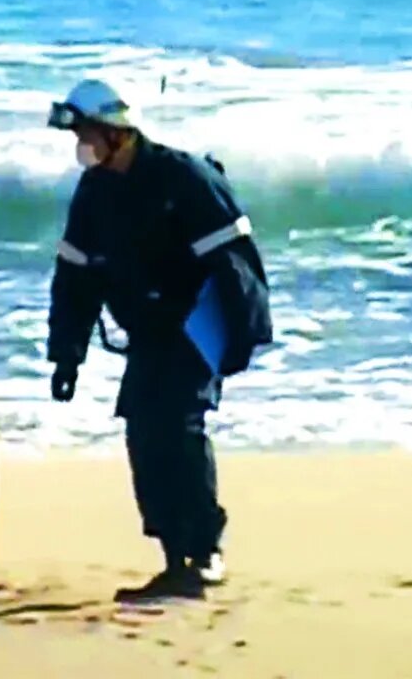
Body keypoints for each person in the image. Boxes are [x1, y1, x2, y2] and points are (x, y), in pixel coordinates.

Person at [44, 79, 273, 602]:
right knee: (144, 433)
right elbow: (75, 278)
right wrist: (66, 356)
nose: (81, 143)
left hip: (200, 321)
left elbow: (237, 262)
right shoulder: (95, 192)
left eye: (88, 132)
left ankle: (206, 551)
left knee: (180, 425)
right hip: (149, 330)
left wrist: (241, 335)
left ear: (119, 133)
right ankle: (174, 557)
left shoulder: (184, 177)